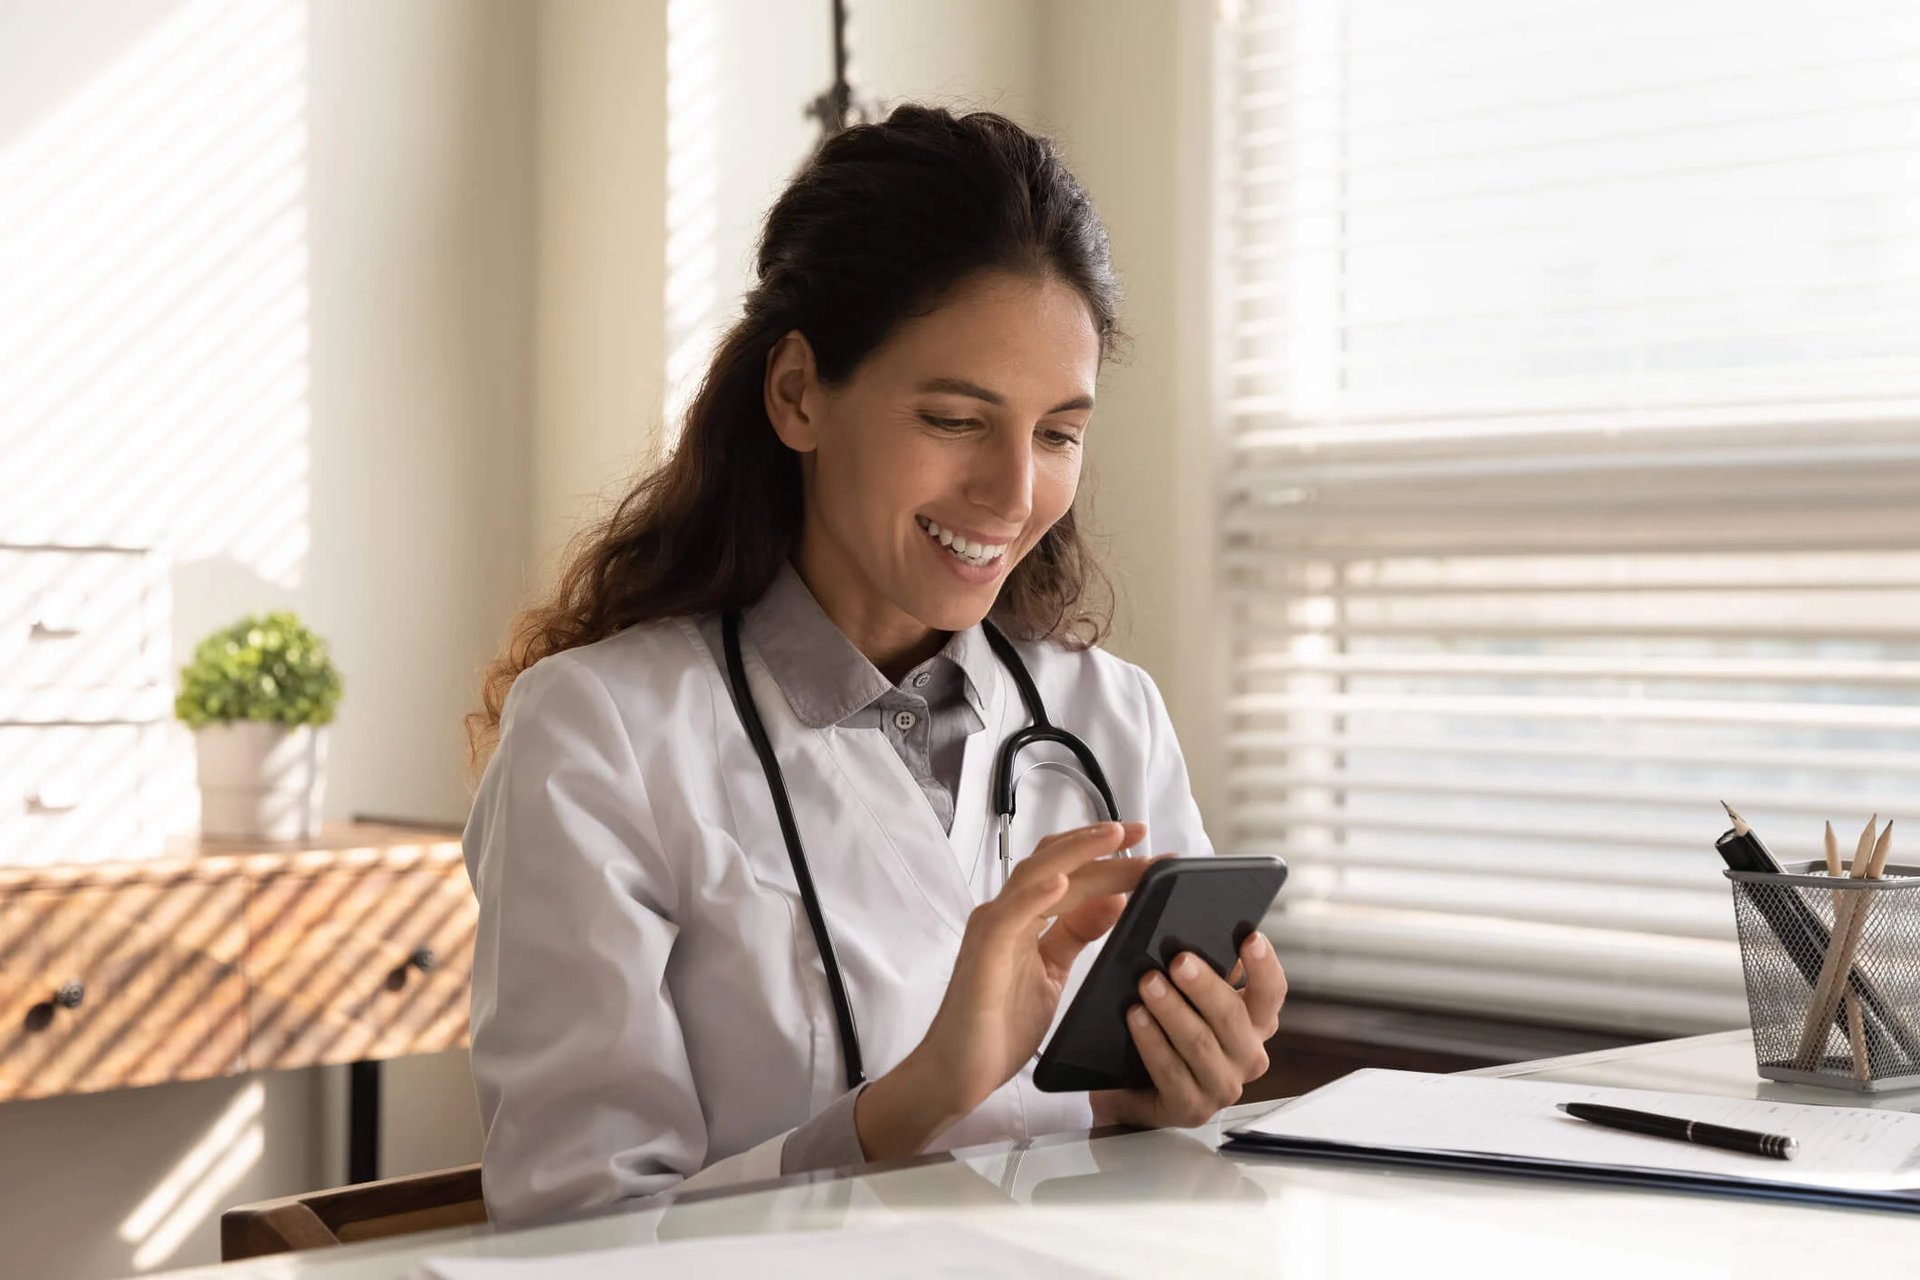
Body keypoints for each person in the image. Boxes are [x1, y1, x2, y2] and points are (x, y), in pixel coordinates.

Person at [462, 104, 1286, 1227]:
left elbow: (1127, 1171)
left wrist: (1167, 1097)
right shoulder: (603, 732)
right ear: (799, 393)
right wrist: (915, 1099)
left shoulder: (1108, 713)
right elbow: (575, 1230)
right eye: (955, 418)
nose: (1012, 493)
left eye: (1057, 434)